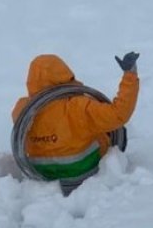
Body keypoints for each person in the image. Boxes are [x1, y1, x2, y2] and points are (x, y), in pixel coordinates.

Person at [12, 52, 140, 192]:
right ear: (64, 74)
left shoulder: (22, 109)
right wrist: (130, 74)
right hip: (83, 171)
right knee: (105, 126)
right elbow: (119, 114)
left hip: (43, 173)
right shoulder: (77, 107)